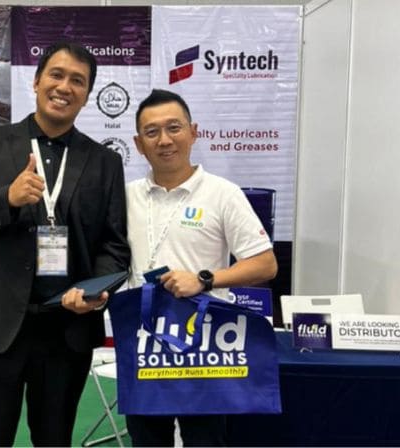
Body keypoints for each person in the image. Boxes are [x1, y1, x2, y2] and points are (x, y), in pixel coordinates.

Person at [0, 42, 130, 446]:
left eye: (78, 81)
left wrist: (97, 290)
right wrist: (5, 198)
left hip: (66, 331)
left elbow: (113, 245)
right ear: (38, 80)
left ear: (87, 93)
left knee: (54, 439)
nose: (65, 86)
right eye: (57, 75)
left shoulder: (104, 162)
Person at [124, 89, 278, 446]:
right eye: (152, 132)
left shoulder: (222, 193)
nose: (164, 140)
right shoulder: (125, 194)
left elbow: (265, 263)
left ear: (193, 132)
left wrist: (205, 280)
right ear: (138, 143)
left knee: (204, 440)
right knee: (147, 440)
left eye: (174, 128)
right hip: (145, 339)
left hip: (205, 343)